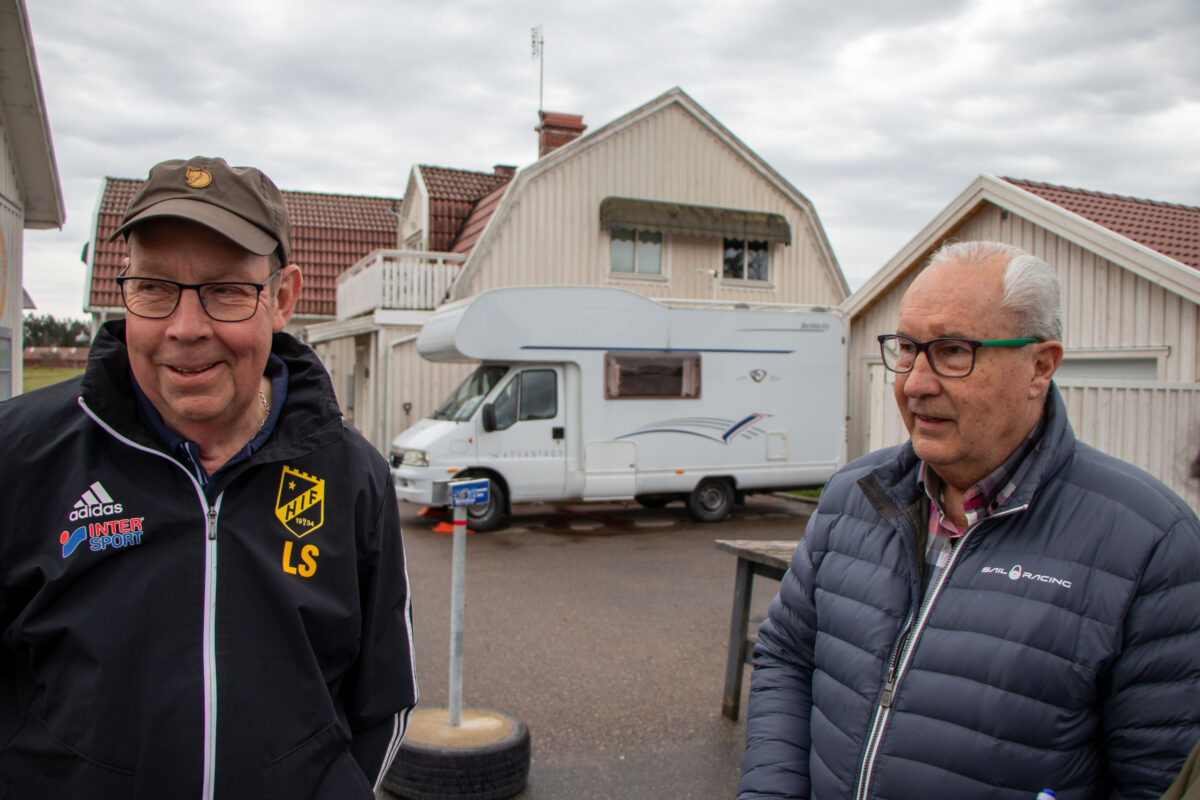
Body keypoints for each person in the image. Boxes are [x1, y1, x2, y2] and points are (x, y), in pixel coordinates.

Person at [0, 157, 417, 797]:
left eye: (225, 290)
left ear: (281, 299)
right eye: (154, 287)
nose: (186, 329)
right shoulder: (19, 455)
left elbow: (379, 697)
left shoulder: (353, 475)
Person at [739, 241, 1200, 799]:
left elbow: (1159, 780)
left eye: (954, 351)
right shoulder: (853, 495)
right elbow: (788, 656)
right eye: (907, 348)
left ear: (1040, 366)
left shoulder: (1150, 544)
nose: (914, 383)